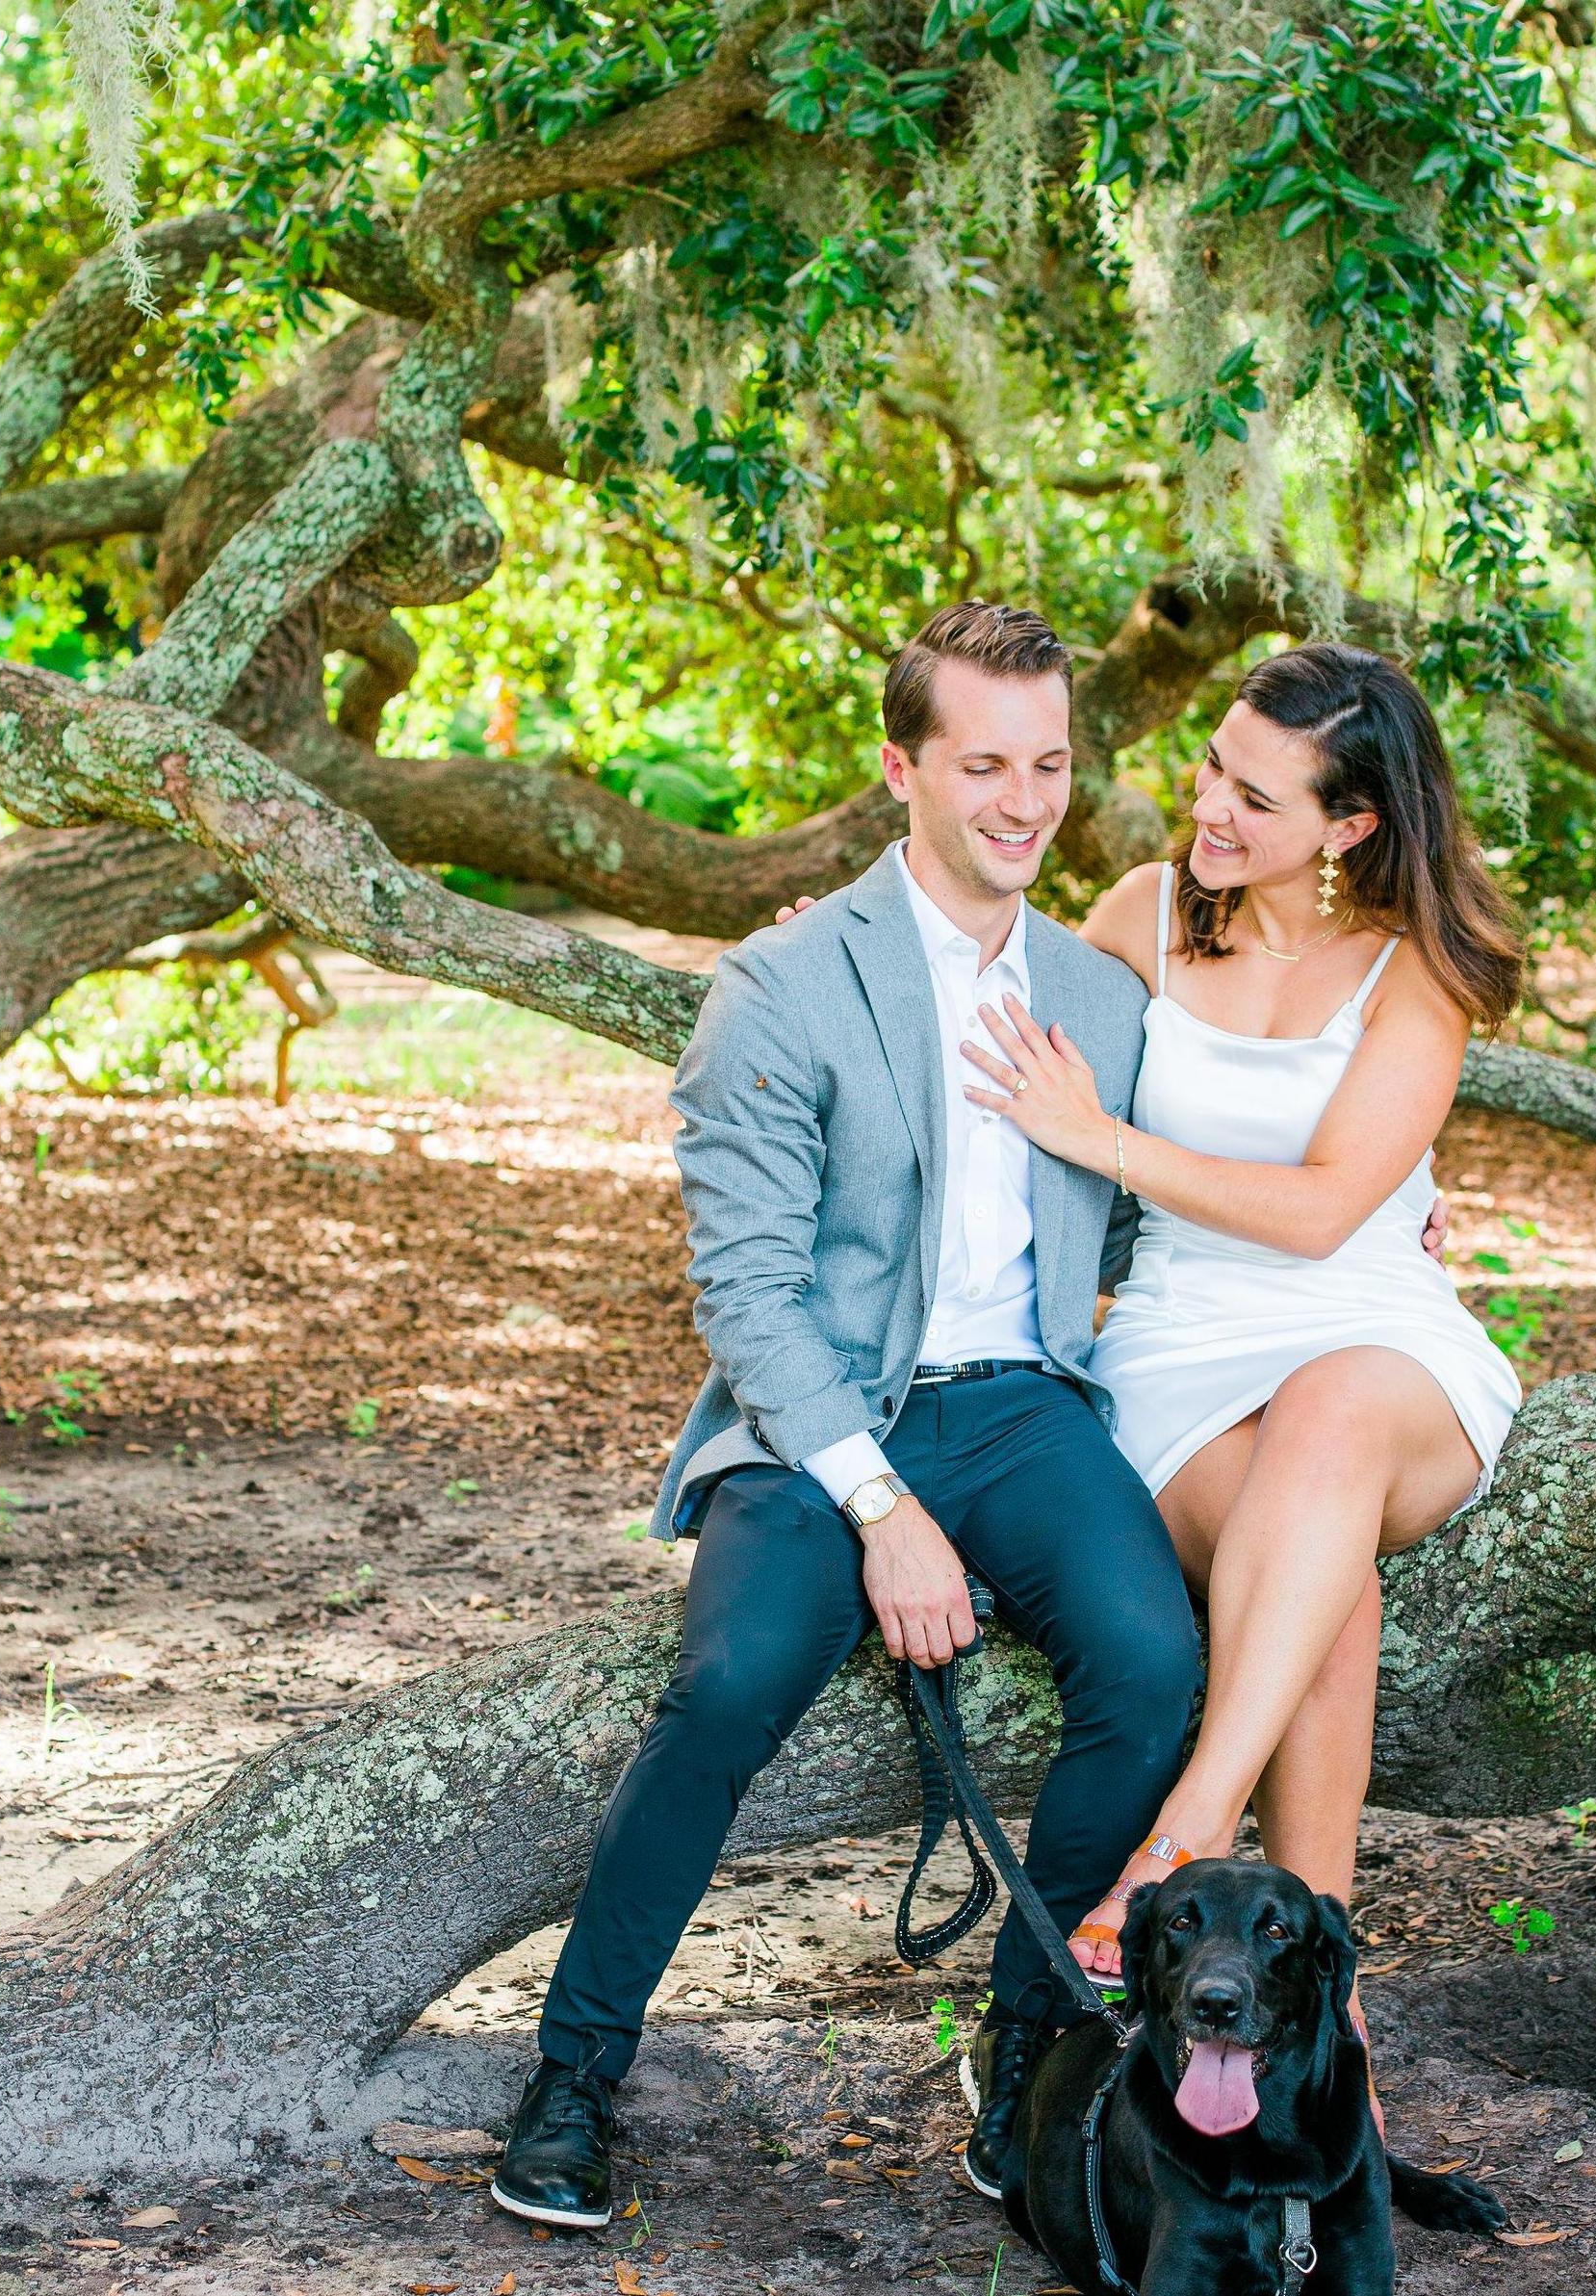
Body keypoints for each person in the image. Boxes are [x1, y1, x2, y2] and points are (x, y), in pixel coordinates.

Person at [490, 602, 1204, 2231]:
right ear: (901, 768)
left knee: (1152, 1661)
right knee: (728, 1683)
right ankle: (576, 2072)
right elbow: (746, 1293)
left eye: (1049, 762)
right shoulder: (784, 985)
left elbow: (1153, 1211)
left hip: (1023, 1412)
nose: (1023, 802)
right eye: (981, 765)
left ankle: (1026, 2067)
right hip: (817, 1418)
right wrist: (882, 1509)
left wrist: (1386, 1229)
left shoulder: (1100, 1002)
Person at [956, 641, 1526, 2095]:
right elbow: (985, 1012)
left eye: (1254, 798)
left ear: (1346, 826)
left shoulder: (1416, 972)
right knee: (1325, 1591)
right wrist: (834, 951)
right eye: (1211, 764)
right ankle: (1321, 2003)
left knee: (1329, 1416)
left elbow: (1333, 1206)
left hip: (1376, 1329)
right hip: (1178, 1339)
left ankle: (1188, 1830)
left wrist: (1118, 1144)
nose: (1207, 807)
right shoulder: (1143, 913)